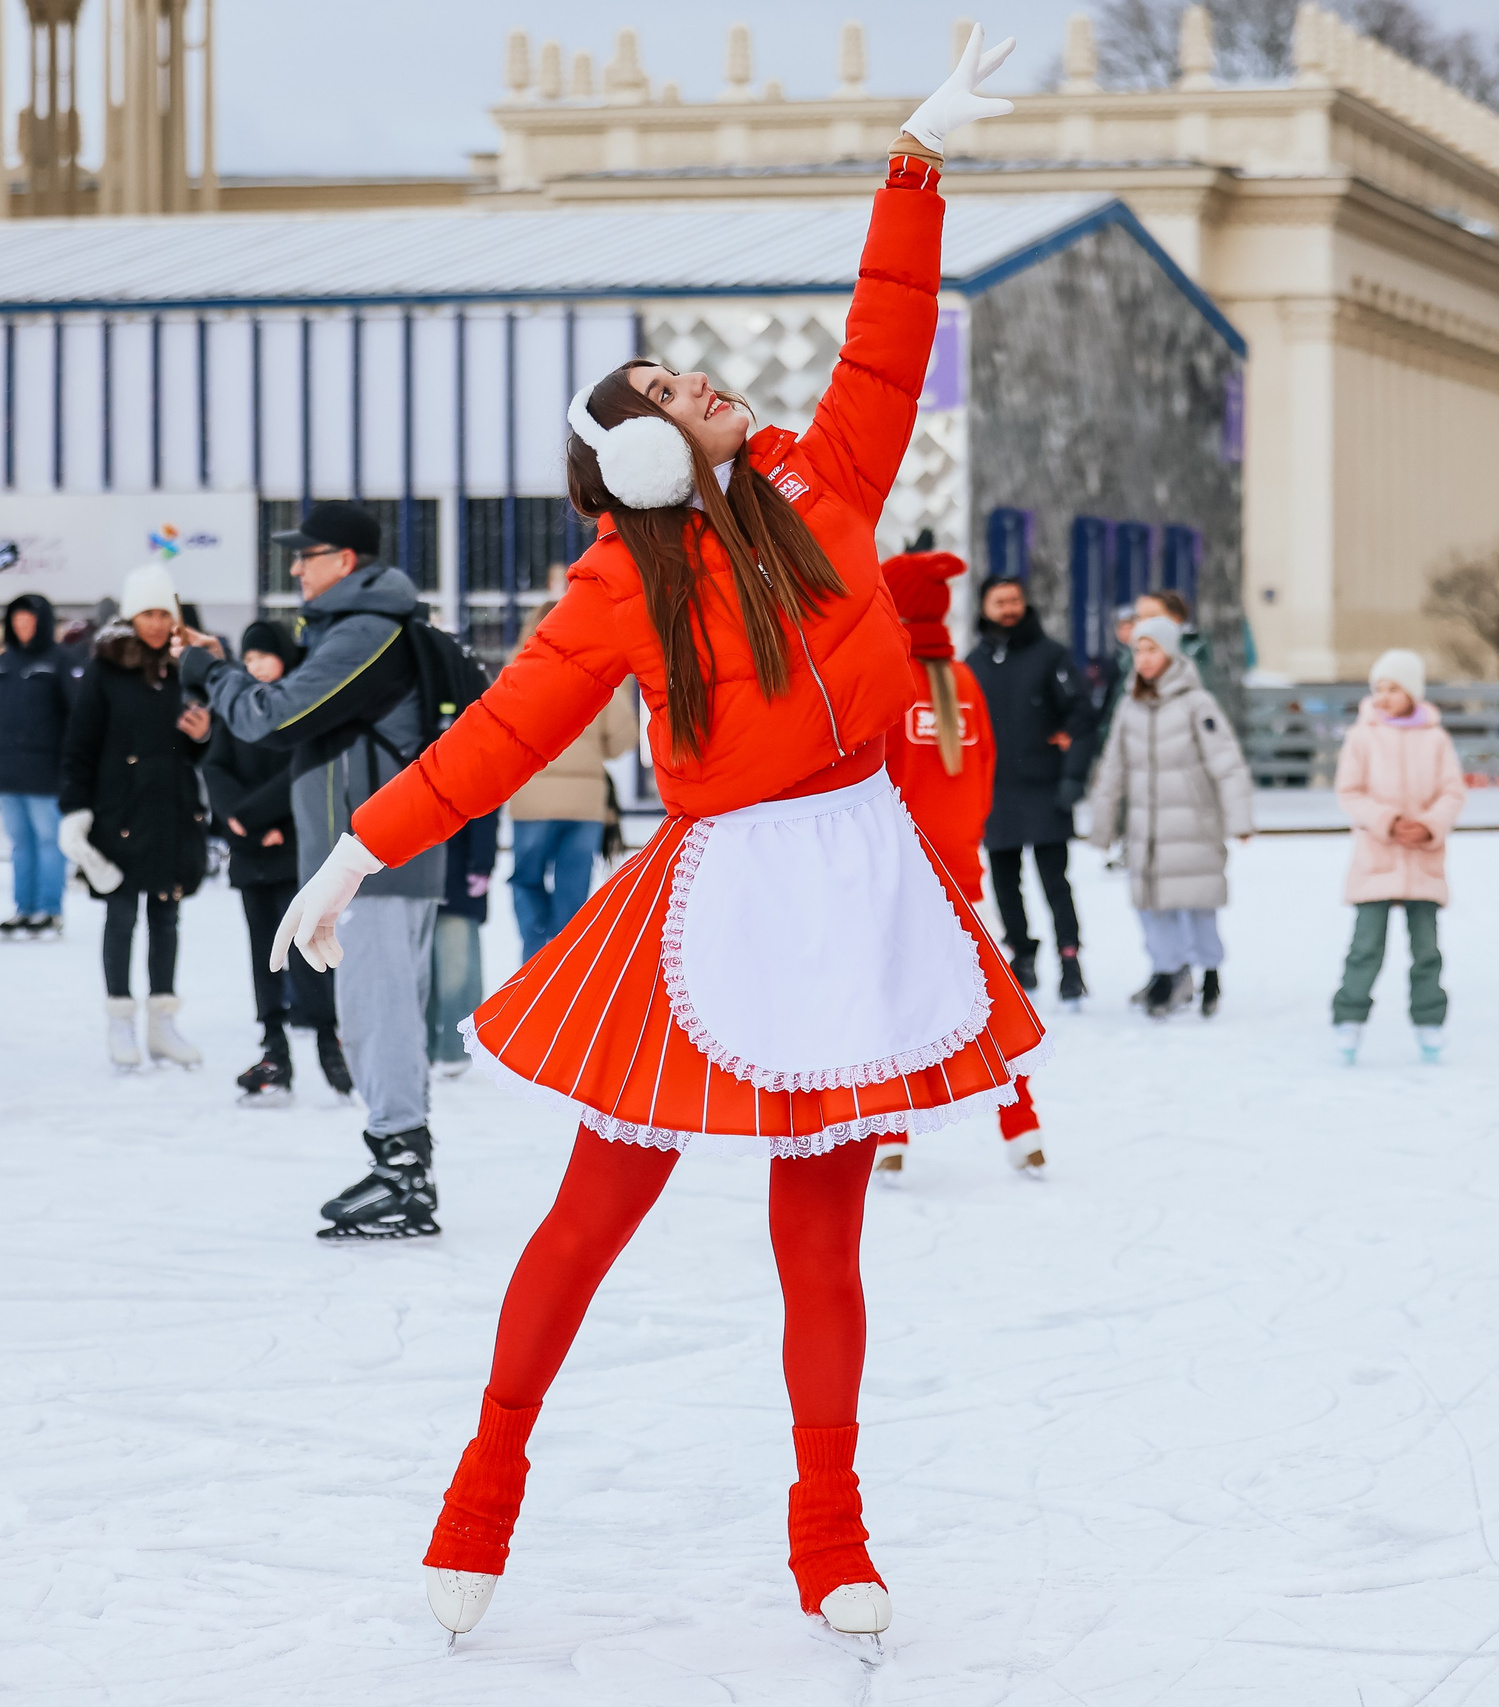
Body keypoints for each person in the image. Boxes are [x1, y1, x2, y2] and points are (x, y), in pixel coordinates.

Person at [270, 53, 1035, 1648]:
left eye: (692, 376)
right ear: (640, 459)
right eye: (677, 392)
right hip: (721, 908)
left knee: (823, 1238)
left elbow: (886, 345)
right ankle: (482, 1487)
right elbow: (499, 736)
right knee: (593, 1211)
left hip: (858, 886)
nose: (707, 386)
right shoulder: (624, 581)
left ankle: (830, 1527)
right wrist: (356, 850)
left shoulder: (826, 485)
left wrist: (916, 163)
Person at [182, 499, 450, 1238]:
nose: (295, 566)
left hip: (373, 860)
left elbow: (275, 716)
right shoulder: (355, 628)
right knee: (380, 1011)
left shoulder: (365, 630)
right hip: (374, 856)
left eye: (307, 553)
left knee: (378, 1013)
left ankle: (402, 1169)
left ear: (346, 562)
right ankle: (401, 1158)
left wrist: (213, 674)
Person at [875, 543, 1047, 1178]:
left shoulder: (886, 676)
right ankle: (1021, 1123)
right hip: (957, 870)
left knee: (889, 1008)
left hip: (900, 874)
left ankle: (889, 1135)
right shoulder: (965, 680)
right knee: (983, 1005)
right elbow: (982, 777)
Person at [61, 564, 213, 1071]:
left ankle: (162, 1022)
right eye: (146, 613)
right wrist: (75, 809)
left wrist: (202, 736)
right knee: (121, 915)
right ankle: (120, 1018)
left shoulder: (185, 668)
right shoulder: (106, 668)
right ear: (131, 616)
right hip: (119, 812)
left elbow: (201, 751)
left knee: (167, 917)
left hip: (172, 810)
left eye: (162, 614)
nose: (154, 623)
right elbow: (79, 745)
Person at [201, 619, 344, 1104]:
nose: (256, 665)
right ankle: (274, 1047)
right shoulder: (238, 707)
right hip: (249, 849)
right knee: (263, 949)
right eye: (249, 658)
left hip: (293, 848)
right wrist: (237, 819)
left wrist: (254, 816)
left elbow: (300, 769)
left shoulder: (298, 702)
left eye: (264, 656)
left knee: (306, 946)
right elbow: (215, 764)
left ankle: (329, 1039)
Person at [1086, 612, 1256, 1016]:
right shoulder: (1130, 706)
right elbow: (1113, 768)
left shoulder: (1197, 704)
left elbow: (1226, 763)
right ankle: (1166, 972)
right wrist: (1103, 824)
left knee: (1198, 903)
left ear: (1170, 653)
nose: (1144, 658)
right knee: (1152, 905)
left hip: (1193, 823)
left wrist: (1240, 819)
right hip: (1146, 829)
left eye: (1152, 649)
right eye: (1139, 650)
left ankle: (1210, 970)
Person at [1330, 648, 1466, 1064]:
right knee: (1366, 947)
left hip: (1423, 861)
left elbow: (1452, 791)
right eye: (1379, 688)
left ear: (1413, 692)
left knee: (1426, 950)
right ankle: (1349, 1018)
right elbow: (1349, 793)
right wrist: (1388, 822)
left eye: (1394, 688)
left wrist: (1428, 825)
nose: (1385, 696)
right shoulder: (1362, 736)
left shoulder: (1436, 738)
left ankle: (1429, 1021)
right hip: (1378, 860)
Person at [968, 572, 1089, 1001]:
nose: (1008, 609)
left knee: (1055, 882)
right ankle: (1021, 953)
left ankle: (1070, 960)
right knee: (1004, 882)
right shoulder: (973, 665)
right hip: (994, 791)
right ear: (985, 608)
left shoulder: (1051, 655)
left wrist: (1073, 775)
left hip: (1045, 786)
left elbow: (1079, 717)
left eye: (1014, 600)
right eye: (999, 601)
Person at [506, 579, 639, 961]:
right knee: (573, 889)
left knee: (526, 879)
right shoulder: (597, 674)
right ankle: (562, 962)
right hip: (584, 807)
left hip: (531, 802)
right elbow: (621, 744)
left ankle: (532, 954)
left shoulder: (516, 673)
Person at [0, 592, 82, 938]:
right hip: (6, 770)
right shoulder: (3, 662)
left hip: (46, 772)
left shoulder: (59, 661)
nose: (23, 626)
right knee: (20, 844)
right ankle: (24, 908)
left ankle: (50, 910)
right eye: (17, 620)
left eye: (29, 620)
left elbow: (75, 717)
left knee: (49, 842)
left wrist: (70, 766)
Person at [429, 805, 502, 1074]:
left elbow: (484, 807)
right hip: (433, 873)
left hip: (454, 874)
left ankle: (451, 1049)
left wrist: (481, 864)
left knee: (454, 969)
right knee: (433, 970)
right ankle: (435, 1048)